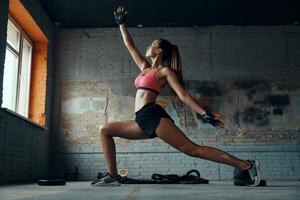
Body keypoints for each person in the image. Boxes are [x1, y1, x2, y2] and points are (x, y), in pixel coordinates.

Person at [92, 6, 261, 186]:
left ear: (159, 51)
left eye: (151, 45)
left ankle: (245, 165)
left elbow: (183, 94)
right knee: (105, 130)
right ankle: (113, 175)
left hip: (153, 116)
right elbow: (129, 45)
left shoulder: (165, 72)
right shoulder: (144, 67)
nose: (148, 46)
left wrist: (204, 113)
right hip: (141, 118)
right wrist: (121, 24)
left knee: (192, 150)